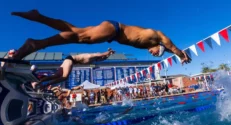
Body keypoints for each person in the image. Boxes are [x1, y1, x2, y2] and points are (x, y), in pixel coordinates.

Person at [10, 10, 191, 64]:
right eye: (155, 53)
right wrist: (181, 55)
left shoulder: (154, 45)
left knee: (75, 31)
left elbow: (168, 51)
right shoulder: (156, 35)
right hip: (114, 29)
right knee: (81, 38)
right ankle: (35, 45)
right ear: (157, 46)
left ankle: (39, 17)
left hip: (112, 32)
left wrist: (177, 56)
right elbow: (172, 47)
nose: (152, 54)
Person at [32, 48, 115, 89]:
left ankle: (39, 80)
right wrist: (109, 52)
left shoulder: (95, 59)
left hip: (67, 60)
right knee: (65, 77)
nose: (99, 55)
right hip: (70, 60)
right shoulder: (91, 55)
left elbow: (103, 58)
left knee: (56, 75)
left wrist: (109, 54)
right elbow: (102, 54)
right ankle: (46, 84)